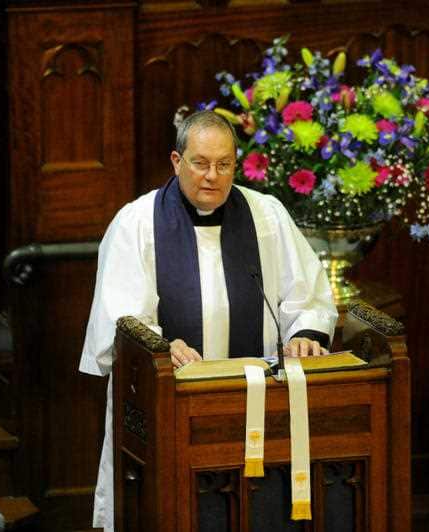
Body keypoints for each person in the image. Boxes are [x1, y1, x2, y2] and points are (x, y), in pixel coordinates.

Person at [78, 110, 338, 531]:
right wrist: (161, 346)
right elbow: (120, 315)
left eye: (224, 165)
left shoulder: (266, 215)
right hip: (171, 401)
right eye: (200, 163)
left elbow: (306, 292)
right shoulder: (138, 223)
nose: (212, 176)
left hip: (255, 403)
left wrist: (305, 334)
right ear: (177, 162)